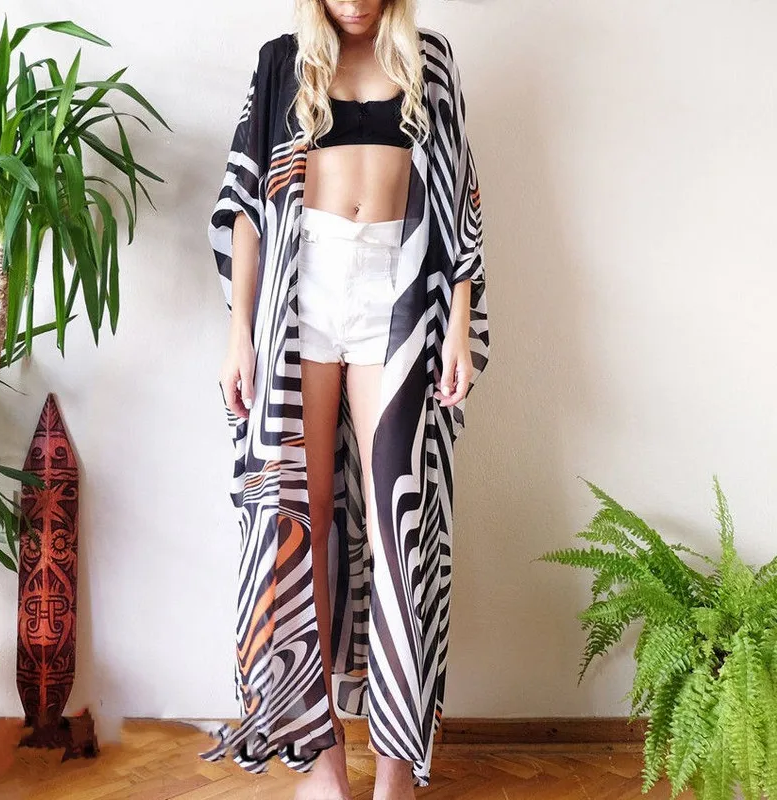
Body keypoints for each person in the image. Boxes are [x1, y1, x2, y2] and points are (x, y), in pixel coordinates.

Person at [203, 1, 490, 798]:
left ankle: (395, 768)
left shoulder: (430, 61)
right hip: (303, 291)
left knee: (403, 527)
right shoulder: (282, 60)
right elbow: (246, 206)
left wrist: (459, 324)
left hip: (400, 293)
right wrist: (239, 334)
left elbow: (460, 199)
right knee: (302, 522)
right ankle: (322, 762)